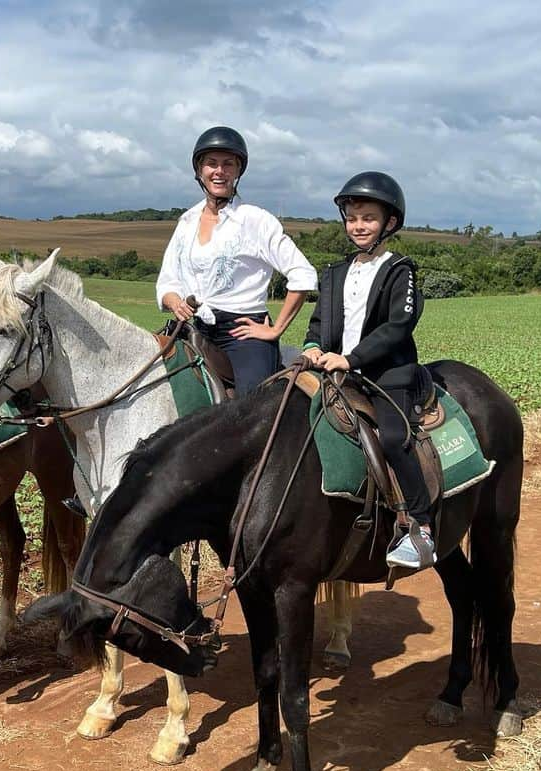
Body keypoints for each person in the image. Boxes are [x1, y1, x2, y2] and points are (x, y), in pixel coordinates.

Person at [302, 171, 435, 569]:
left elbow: (399, 326)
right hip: (336, 372)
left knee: (393, 438)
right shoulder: (334, 273)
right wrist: (312, 347)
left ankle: (421, 525)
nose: (358, 226)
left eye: (368, 218)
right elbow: (318, 322)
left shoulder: (400, 270)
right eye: (352, 217)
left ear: (389, 223)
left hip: (385, 374)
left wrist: (351, 359)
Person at [156, 126, 317, 396]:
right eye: (211, 163)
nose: (219, 171)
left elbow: (303, 274)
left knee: (251, 411)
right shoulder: (186, 222)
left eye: (228, 164)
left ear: (238, 171)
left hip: (243, 335)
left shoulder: (255, 220)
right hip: (195, 328)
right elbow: (168, 279)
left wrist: (275, 330)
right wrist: (174, 301)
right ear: (199, 171)